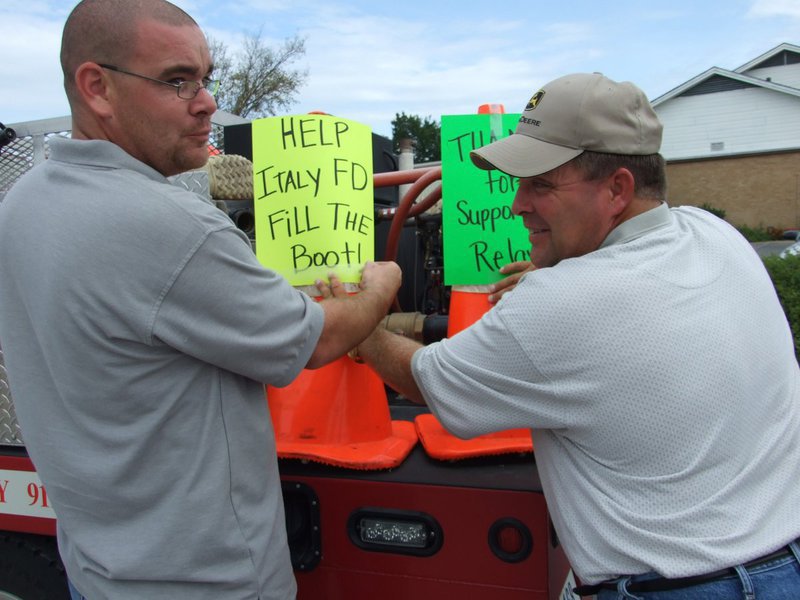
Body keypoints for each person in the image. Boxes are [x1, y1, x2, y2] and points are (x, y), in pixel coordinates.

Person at [335, 72, 800, 598]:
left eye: (541, 185)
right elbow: (627, 301)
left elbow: (428, 382)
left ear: (617, 189)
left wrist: (363, 322)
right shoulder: (715, 235)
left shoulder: (562, 303)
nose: (516, 205)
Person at [0, 1, 400, 599]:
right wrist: (384, 281)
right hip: (210, 581)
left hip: (97, 572)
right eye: (176, 80)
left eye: (206, 78)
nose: (207, 100)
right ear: (97, 87)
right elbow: (318, 341)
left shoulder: (24, 203)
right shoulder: (172, 227)